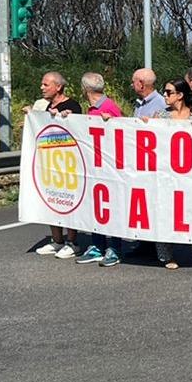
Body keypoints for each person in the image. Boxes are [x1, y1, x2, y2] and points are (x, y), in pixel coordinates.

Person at [148, 79, 192, 270]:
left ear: (180, 95)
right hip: (165, 172)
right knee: (164, 211)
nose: (165, 96)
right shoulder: (161, 115)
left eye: (169, 92)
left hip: (190, 173)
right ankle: (166, 255)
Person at [30, 72, 84, 259]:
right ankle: (57, 240)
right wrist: (31, 115)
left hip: (68, 163)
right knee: (51, 200)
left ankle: (72, 242)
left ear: (58, 87)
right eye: (42, 84)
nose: (42, 87)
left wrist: (66, 117)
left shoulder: (72, 105)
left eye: (46, 84)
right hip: (49, 162)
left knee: (69, 201)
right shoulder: (44, 106)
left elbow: (78, 128)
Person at [73, 73, 124, 267]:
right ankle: (97, 245)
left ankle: (115, 248)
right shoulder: (92, 108)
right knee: (96, 207)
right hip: (94, 165)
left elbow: (123, 132)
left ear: (84, 89)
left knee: (112, 207)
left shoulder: (108, 106)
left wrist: (112, 121)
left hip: (110, 166)